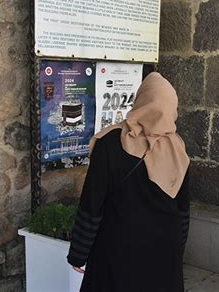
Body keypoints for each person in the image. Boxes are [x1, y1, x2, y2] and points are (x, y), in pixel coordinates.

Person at [67, 72, 191, 292]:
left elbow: (92, 202)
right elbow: (182, 210)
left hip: (118, 250)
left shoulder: (111, 142)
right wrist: (176, 250)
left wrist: (79, 252)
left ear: (141, 99)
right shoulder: (177, 149)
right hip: (163, 253)